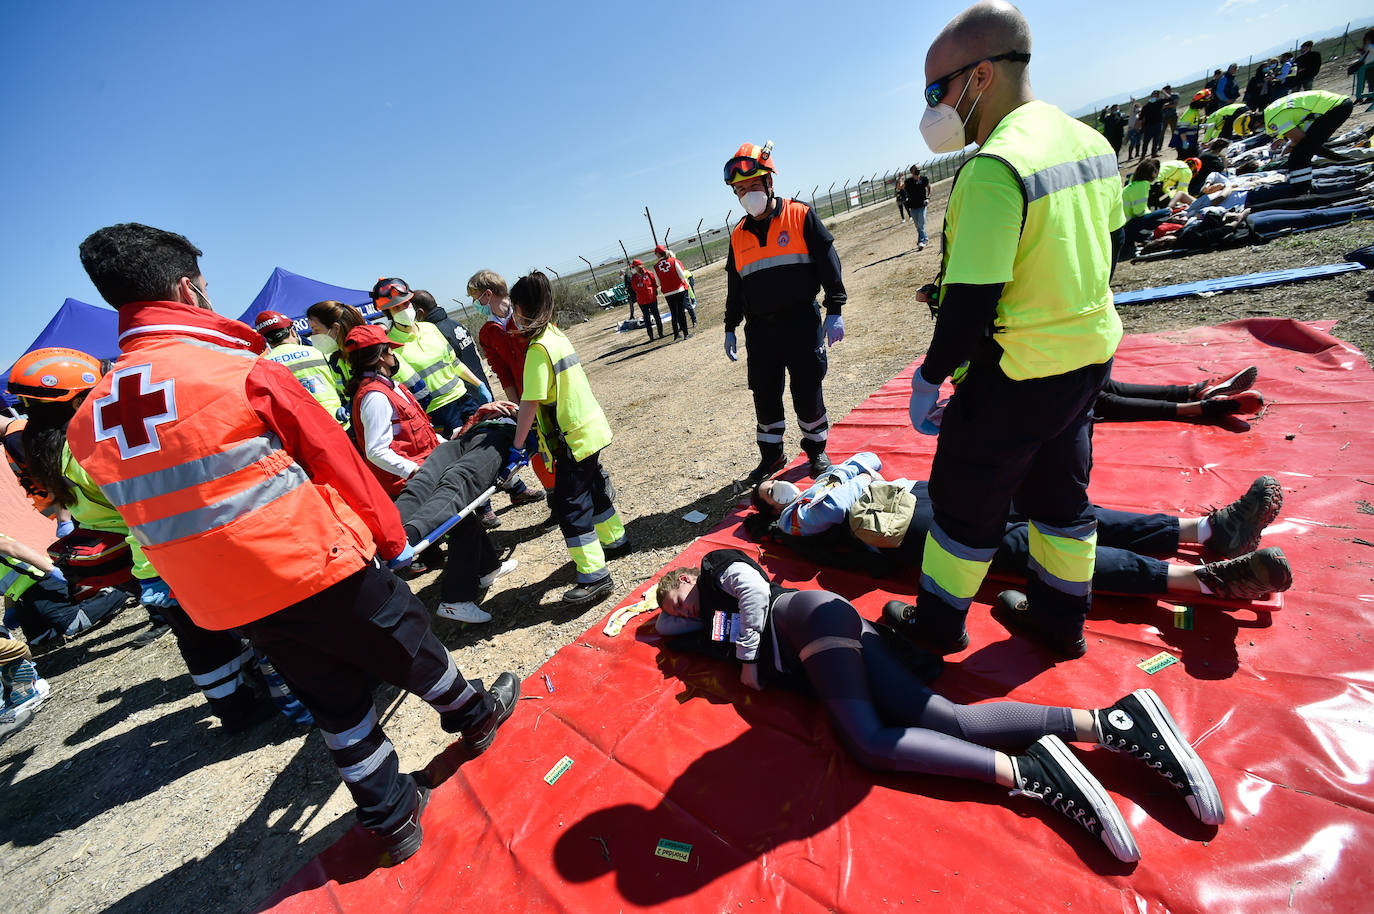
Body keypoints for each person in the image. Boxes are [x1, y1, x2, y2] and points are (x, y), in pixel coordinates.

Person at [68, 223, 519, 867]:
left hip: (227, 599)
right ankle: (473, 716)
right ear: (188, 289)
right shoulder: (236, 373)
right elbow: (338, 460)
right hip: (309, 562)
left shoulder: (91, 420)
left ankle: (390, 816)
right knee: (409, 642)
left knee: (328, 694)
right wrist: (390, 538)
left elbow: (121, 519)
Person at [654, 547, 1225, 863]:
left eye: (676, 597)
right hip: (831, 635)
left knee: (872, 743)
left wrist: (750, 659)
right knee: (946, 719)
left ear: (687, 576)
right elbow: (661, 626)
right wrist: (669, 618)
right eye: (675, 610)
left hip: (807, 623)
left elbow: (754, 591)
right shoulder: (701, 621)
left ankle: (1029, 770)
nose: (678, 610)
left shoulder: (716, 570)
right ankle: (1112, 722)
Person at [908, 1, 1124, 660]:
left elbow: (970, 307)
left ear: (979, 77)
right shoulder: (1090, 143)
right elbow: (1113, 252)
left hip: (1016, 375)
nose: (930, 108)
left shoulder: (994, 168)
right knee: (1062, 495)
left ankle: (934, 633)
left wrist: (930, 376)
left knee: (965, 504)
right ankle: (1062, 620)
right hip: (1088, 361)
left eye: (934, 90)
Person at [12, 346, 280, 725]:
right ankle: (243, 707)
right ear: (76, 401)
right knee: (212, 630)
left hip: (129, 560)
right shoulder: (88, 450)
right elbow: (138, 510)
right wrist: (155, 570)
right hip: (152, 556)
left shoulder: (44, 450)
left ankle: (232, 706)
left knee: (195, 636)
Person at [748, 452, 1290, 603]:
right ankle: (1206, 580)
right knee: (1046, 549)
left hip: (926, 496)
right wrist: (836, 479)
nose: (784, 487)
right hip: (914, 528)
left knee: (1066, 514)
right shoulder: (793, 523)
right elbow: (831, 510)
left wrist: (839, 473)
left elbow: (869, 459)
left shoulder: (820, 486)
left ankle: (1206, 530)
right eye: (773, 491)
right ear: (771, 510)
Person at [343, 323, 518, 624]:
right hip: (409, 480)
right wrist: (418, 470)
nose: (395, 357)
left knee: (466, 518)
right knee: (458, 522)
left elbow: (420, 431)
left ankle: (487, 567)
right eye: (390, 352)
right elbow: (376, 450)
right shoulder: (374, 396)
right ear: (381, 356)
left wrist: (449, 445)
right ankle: (455, 599)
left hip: (427, 465)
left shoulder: (390, 388)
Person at [722, 141, 847, 482]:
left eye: (751, 186)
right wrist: (730, 326)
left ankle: (817, 451)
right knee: (764, 394)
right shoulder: (737, 236)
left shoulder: (800, 215)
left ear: (769, 183)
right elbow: (736, 287)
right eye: (739, 190)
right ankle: (772, 456)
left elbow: (828, 262)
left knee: (807, 390)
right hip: (761, 332)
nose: (746, 195)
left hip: (801, 324)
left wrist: (835, 308)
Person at [505, 271, 628, 606]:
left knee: (570, 505)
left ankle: (594, 575)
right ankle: (616, 540)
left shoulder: (537, 348)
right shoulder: (556, 336)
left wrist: (517, 447)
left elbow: (530, 402)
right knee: (593, 488)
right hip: (589, 429)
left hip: (570, 438)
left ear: (522, 308)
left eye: (514, 308)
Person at [468, 269, 557, 496]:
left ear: (488, 294)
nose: (474, 303)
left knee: (564, 441)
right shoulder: (488, 332)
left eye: (475, 297)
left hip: (551, 390)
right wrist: (517, 407)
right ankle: (555, 498)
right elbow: (502, 372)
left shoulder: (527, 311)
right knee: (538, 450)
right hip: (526, 397)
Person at [372, 277, 488, 437]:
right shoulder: (391, 346)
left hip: (464, 398)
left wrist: (479, 384)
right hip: (438, 414)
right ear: (389, 313)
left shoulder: (430, 328)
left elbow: (454, 363)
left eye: (406, 303)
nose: (404, 309)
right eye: (397, 308)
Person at [2, 531, 128, 650]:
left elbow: (12, 548)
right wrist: (10, 608)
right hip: (23, 593)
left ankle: (123, 590)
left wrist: (50, 570)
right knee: (39, 637)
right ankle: (95, 597)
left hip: (40, 581)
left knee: (71, 624)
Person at [254, 310, 347, 422]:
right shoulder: (319, 352)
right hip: (337, 420)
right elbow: (342, 383)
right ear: (292, 331)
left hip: (300, 429)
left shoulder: (261, 365)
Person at [1264, 90, 1356, 193]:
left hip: (1335, 108)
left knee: (1299, 155)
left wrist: (1289, 146)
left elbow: (1299, 138)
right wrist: (1283, 138)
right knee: (1308, 147)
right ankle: (1347, 161)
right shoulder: (1269, 112)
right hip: (1335, 104)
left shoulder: (1272, 120)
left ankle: (1303, 190)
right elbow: (1294, 117)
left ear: (1257, 124)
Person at [411, 289, 491, 396]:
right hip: (481, 386)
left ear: (420, 312)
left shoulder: (435, 332)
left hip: (468, 395)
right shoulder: (454, 324)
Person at [653, 245, 693, 341]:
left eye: (655, 253)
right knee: (681, 312)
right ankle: (686, 333)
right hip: (678, 290)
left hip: (667, 293)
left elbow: (658, 283)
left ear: (658, 254)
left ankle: (676, 334)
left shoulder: (655, 267)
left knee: (674, 313)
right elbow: (682, 276)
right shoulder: (673, 261)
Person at [627, 260, 663, 341]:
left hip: (651, 299)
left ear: (638, 266)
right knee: (646, 319)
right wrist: (641, 288)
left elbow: (655, 284)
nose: (633, 269)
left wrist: (650, 291)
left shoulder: (649, 273)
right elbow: (634, 288)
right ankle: (651, 336)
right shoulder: (634, 277)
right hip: (642, 301)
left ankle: (661, 333)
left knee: (656, 316)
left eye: (634, 267)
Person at [904, 165, 932, 249]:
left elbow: (929, 187)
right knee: (918, 226)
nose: (918, 170)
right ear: (911, 172)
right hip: (912, 207)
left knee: (921, 224)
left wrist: (928, 198)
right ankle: (925, 238)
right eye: (916, 169)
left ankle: (920, 242)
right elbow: (899, 188)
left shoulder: (924, 179)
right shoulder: (908, 181)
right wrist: (899, 179)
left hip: (922, 205)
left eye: (918, 169)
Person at [1139, 89, 1167, 157]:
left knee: (1156, 140)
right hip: (1149, 126)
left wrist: (1164, 93)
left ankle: (1153, 153)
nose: (1155, 96)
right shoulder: (1146, 106)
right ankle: (1143, 154)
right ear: (1151, 96)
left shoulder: (1159, 103)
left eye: (1157, 95)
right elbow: (1141, 118)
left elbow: (1169, 99)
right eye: (1154, 95)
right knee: (1146, 141)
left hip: (1158, 124)